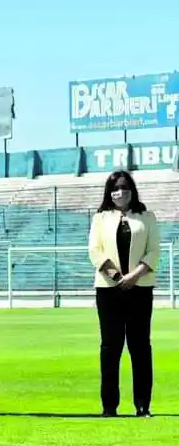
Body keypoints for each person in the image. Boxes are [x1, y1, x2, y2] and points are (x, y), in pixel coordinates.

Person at [88, 170, 160, 418]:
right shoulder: (100, 218)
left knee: (140, 347)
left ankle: (142, 405)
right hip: (109, 290)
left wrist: (134, 276)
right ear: (109, 192)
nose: (120, 192)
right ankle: (109, 406)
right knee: (110, 347)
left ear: (132, 190)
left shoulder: (147, 217)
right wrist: (117, 277)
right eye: (115, 188)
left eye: (125, 187)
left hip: (140, 289)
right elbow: (95, 250)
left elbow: (154, 251)